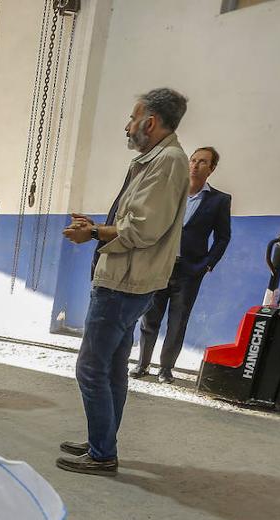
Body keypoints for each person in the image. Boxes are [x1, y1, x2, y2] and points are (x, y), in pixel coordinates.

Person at [59, 88, 190, 476]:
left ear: (150, 122)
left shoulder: (167, 162)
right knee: (114, 366)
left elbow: (142, 228)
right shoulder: (155, 161)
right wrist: (97, 228)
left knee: (90, 367)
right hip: (126, 279)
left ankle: (102, 454)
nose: (128, 126)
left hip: (124, 284)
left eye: (133, 118)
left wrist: (94, 233)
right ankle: (103, 442)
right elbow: (136, 219)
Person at [133, 146, 232, 383]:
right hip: (160, 266)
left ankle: (166, 369)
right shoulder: (171, 193)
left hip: (190, 271)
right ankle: (142, 364)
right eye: (193, 160)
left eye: (203, 162)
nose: (196, 165)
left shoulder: (219, 200)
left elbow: (223, 237)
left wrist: (208, 264)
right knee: (150, 318)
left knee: (178, 322)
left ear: (212, 169)